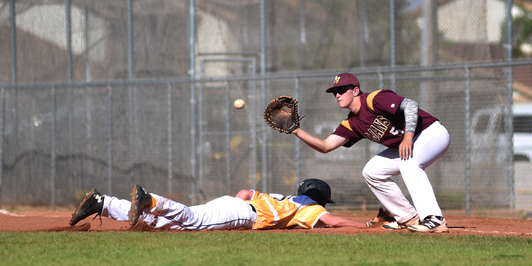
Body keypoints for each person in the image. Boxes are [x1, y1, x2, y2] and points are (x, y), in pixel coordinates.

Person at [291, 72, 450, 233]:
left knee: (408, 163)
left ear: (355, 91)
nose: (337, 95)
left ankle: (434, 218)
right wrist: (297, 131)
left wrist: (408, 136)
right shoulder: (352, 123)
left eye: (342, 90)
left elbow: (410, 105)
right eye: (335, 92)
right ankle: (408, 218)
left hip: (431, 133)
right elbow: (325, 146)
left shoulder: (372, 100)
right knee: (372, 171)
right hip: (409, 144)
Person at [69, 178, 370, 231]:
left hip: (234, 203)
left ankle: (104, 203)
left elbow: (242, 192)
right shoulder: (308, 207)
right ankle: (150, 199)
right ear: (319, 198)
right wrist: (362, 224)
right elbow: (329, 221)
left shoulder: (282, 197)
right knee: (191, 220)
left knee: (163, 224)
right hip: (242, 215)